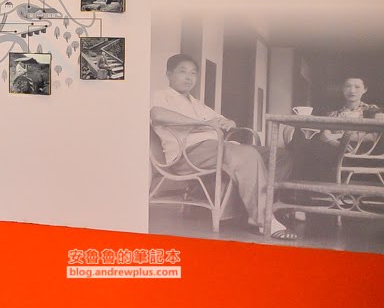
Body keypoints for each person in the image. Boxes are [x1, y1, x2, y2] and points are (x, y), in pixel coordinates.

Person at [151, 54, 298, 240]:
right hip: (188, 154)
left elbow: (221, 119)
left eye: (193, 73)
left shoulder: (196, 103)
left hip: (218, 148)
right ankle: (264, 220)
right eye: (182, 72)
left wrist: (228, 122)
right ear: (169, 74)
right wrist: (202, 124)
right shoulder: (161, 95)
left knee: (281, 155)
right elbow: (157, 115)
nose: (189, 77)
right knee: (247, 154)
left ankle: (256, 209)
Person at [290, 77, 375, 182]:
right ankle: (300, 188)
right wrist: (334, 142)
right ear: (343, 89)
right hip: (335, 148)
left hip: (358, 151)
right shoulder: (335, 113)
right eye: (348, 86)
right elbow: (325, 135)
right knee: (303, 142)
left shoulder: (372, 111)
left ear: (364, 89)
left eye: (357, 87)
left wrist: (339, 137)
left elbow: (373, 137)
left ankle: (304, 187)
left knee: (311, 149)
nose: (352, 90)